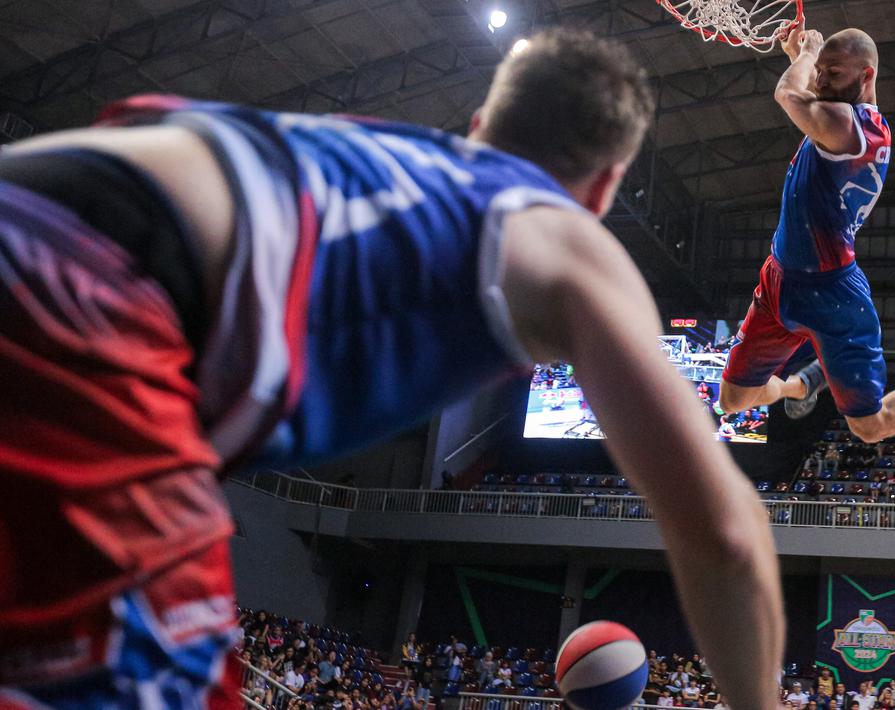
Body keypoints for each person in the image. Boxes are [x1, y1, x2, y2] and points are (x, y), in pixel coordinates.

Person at [0, 28, 783, 710]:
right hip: (87, 311)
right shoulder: (563, 237)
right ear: (607, 185)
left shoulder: (369, 146)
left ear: (480, 124)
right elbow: (724, 533)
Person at [714, 22, 895, 446]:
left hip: (834, 295)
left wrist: (803, 56)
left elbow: (788, 94)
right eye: (820, 72)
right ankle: (801, 385)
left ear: (866, 76)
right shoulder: (841, 114)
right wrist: (804, 57)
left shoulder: (851, 128)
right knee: (731, 400)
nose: (820, 79)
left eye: (832, 73)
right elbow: (812, 94)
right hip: (778, 281)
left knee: (869, 426)